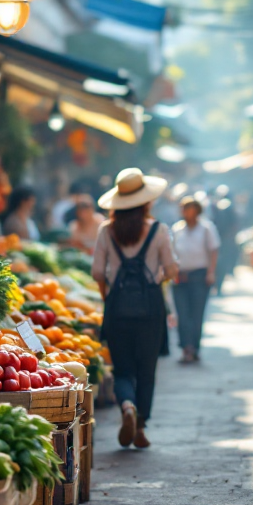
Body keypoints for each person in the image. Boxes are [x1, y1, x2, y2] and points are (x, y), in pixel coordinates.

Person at [92, 168, 179, 449]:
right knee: (147, 369)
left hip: (117, 308)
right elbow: (171, 269)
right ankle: (140, 427)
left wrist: (109, 298)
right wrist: (157, 279)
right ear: (146, 201)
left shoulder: (106, 231)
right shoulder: (158, 230)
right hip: (151, 309)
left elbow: (97, 273)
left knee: (122, 369)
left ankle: (127, 405)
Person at [171, 196, 220, 364]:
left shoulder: (206, 228)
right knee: (182, 315)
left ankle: (194, 347)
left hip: (199, 275)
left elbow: (213, 251)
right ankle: (186, 347)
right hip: (181, 276)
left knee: (196, 314)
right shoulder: (177, 229)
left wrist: (211, 272)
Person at [211, 186, 239, 295]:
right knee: (221, 263)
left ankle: (217, 285)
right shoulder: (227, 206)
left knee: (220, 263)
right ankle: (218, 285)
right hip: (223, 239)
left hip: (222, 239)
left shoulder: (218, 206)